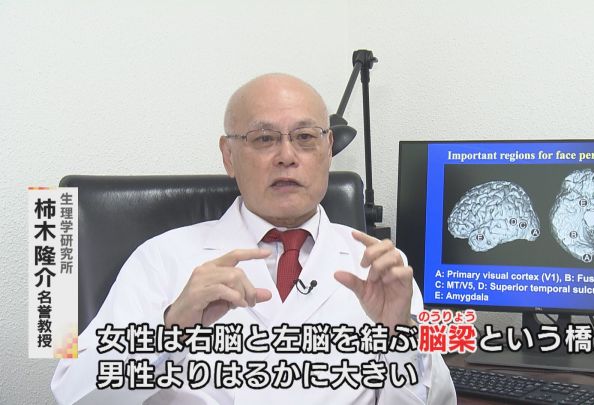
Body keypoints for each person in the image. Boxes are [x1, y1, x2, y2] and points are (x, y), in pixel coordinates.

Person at [52, 73, 456, 404]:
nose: (287, 156)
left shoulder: (379, 265)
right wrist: (170, 328)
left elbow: (436, 401)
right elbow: (72, 394)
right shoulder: (162, 258)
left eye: (305, 137)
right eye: (264, 138)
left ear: (328, 149)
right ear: (229, 156)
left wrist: (401, 335)